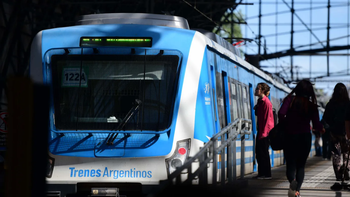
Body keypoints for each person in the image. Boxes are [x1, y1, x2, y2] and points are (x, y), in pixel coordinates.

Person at [278, 79, 324, 197]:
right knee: (301, 166)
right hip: (304, 137)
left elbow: (281, 113)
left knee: (291, 164)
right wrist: (322, 129)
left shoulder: (290, 100)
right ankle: (297, 190)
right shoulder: (312, 106)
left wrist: (286, 123)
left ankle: (293, 183)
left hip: (290, 136)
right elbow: (316, 123)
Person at [322, 83, 350, 183]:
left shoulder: (330, 104)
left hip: (334, 134)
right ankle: (346, 168)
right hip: (346, 133)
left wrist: (330, 127)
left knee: (336, 155)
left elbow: (325, 119)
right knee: (347, 153)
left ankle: (338, 175)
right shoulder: (348, 104)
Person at [253, 82, 274, 180]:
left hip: (264, 132)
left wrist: (264, 133)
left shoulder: (266, 102)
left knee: (264, 153)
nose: (256, 90)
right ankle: (261, 173)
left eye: (258, 88)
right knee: (259, 152)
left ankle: (266, 174)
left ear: (262, 91)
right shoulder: (261, 101)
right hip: (261, 130)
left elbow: (267, 119)